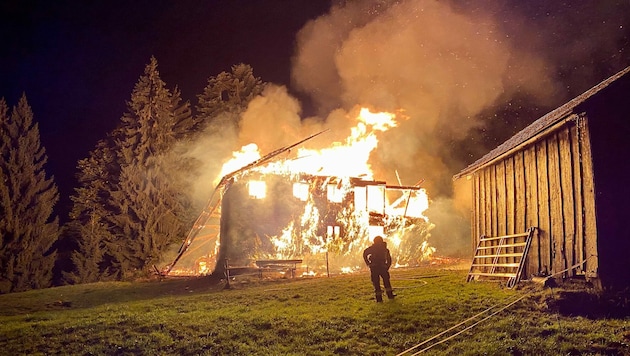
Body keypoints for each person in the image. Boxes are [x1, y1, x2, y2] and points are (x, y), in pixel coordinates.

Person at [363, 235, 395, 302]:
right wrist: (387, 266)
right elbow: (389, 259)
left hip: (376, 267)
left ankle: (380, 298)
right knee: (384, 282)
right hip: (381, 267)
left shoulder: (375, 248)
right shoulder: (384, 249)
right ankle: (389, 296)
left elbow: (365, 253)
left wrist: (368, 263)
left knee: (377, 283)